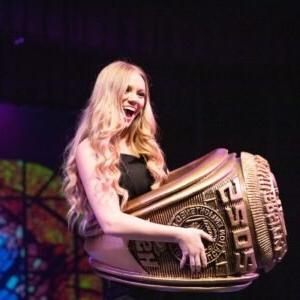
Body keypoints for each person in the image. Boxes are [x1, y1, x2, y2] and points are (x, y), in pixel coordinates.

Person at [62, 61, 214, 300]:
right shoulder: (91, 149)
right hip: (127, 279)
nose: (136, 99)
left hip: (166, 275)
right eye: (128, 90)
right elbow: (111, 222)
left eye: (141, 94)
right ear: (109, 93)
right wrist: (179, 234)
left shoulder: (146, 150)